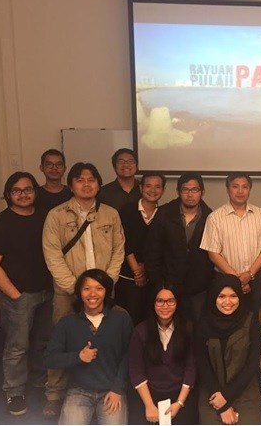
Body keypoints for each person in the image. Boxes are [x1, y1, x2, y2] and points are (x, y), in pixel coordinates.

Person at [42, 162, 125, 418]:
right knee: (61, 341)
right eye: (80, 180)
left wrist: (104, 286)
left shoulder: (110, 214)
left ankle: (103, 386)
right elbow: (52, 254)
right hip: (67, 292)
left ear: (99, 185)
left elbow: (118, 250)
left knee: (107, 339)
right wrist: (76, 289)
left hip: (104, 292)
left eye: (91, 180)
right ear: (71, 185)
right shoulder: (56, 215)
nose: (86, 184)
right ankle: (55, 394)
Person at [0, 172, 53, 415]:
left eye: (28, 189)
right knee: (17, 346)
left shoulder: (44, 218)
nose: (23, 194)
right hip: (19, 297)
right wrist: (14, 294)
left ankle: (40, 377)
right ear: (8, 194)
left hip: (47, 292)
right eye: (17, 190)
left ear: (35, 191)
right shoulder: (0, 224)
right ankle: (14, 391)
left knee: (44, 340)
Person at [44, 269, 133, 425]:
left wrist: (118, 389)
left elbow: (129, 355)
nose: (93, 294)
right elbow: (50, 359)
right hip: (79, 391)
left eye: (99, 288)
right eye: (87, 288)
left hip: (111, 390)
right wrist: (77, 357)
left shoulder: (121, 318)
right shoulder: (67, 322)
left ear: (107, 291)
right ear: (79, 292)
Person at [146, 172, 215, 322]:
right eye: (185, 190)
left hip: (199, 289)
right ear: (178, 192)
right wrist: (159, 283)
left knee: (197, 328)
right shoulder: (164, 214)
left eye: (195, 190)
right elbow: (152, 251)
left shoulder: (211, 217)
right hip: (167, 286)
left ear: (202, 192)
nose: (190, 195)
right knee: (167, 328)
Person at [200, 172, 261, 313]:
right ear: (228, 189)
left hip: (255, 279)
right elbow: (213, 253)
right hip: (225, 279)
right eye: (235, 186)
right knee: (227, 316)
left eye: (245, 187)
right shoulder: (215, 217)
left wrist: (249, 274)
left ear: (249, 190)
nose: (240, 191)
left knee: (254, 318)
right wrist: (237, 280)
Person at [195, 273, 261, 425]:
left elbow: (252, 363)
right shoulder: (203, 323)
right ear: (214, 297)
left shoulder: (251, 321)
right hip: (212, 396)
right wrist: (220, 400)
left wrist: (226, 397)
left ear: (240, 297)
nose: (227, 302)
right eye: (221, 296)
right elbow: (202, 361)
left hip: (245, 396)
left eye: (233, 296)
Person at [129, 281, 197, 424]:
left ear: (177, 303)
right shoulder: (140, 331)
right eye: (160, 301)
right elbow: (136, 371)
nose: (165, 306)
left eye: (170, 301)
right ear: (153, 304)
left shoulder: (187, 329)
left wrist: (179, 403)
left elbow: (190, 369)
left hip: (180, 395)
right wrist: (149, 405)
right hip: (148, 395)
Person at [117, 173, 165, 325]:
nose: (153, 190)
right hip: (127, 277)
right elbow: (123, 241)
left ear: (163, 190)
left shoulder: (165, 214)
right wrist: (136, 270)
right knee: (127, 321)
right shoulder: (126, 210)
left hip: (153, 278)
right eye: (148, 186)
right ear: (141, 188)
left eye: (157, 187)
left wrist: (146, 267)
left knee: (150, 322)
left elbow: (163, 246)